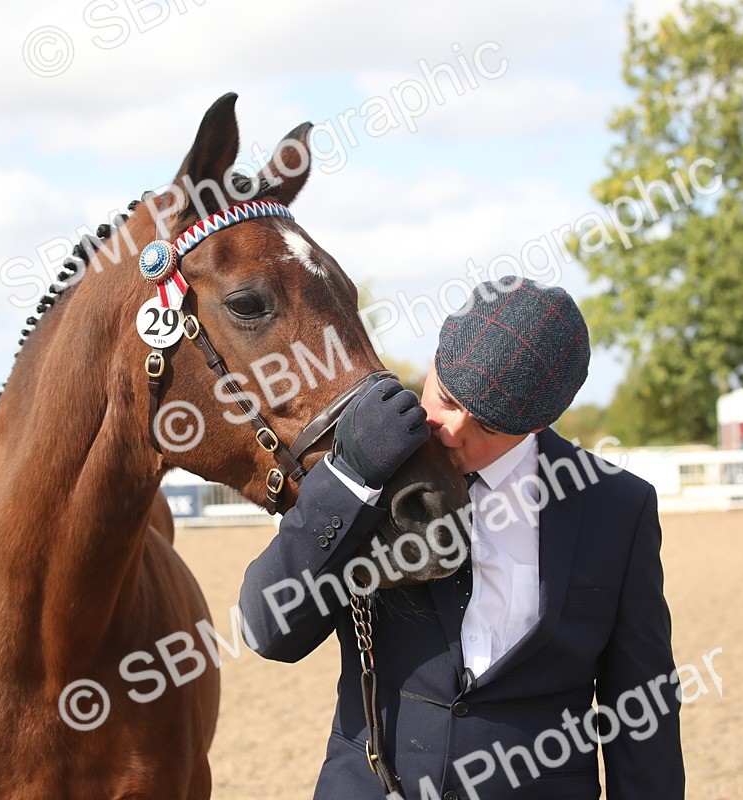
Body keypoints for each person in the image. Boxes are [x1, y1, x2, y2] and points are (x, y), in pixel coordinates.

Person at [239, 277, 684, 799]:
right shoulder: (368, 464)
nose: (450, 431)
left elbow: (641, 709)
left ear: (538, 425)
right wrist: (349, 480)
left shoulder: (619, 507)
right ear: (433, 361)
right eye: (446, 398)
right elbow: (268, 629)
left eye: (487, 428)